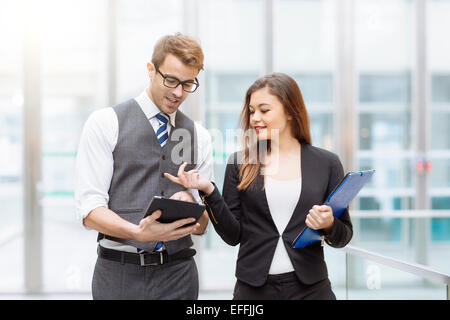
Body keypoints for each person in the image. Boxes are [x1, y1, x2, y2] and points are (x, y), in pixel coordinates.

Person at [165, 73, 353, 300]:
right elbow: (233, 235)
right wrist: (209, 190)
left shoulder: (327, 163)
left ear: (291, 112)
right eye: (252, 111)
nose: (255, 118)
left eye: (264, 110)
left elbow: (344, 235)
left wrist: (330, 223)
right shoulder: (240, 163)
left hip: (312, 289)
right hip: (253, 290)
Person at [74, 33, 213, 300]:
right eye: (170, 80)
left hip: (179, 275)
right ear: (151, 70)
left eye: (187, 83)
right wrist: (137, 232)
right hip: (119, 274)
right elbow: (89, 210)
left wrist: (190, 202)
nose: (178, 92)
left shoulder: (200, 136)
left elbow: (204, 224)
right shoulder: (105, 123)